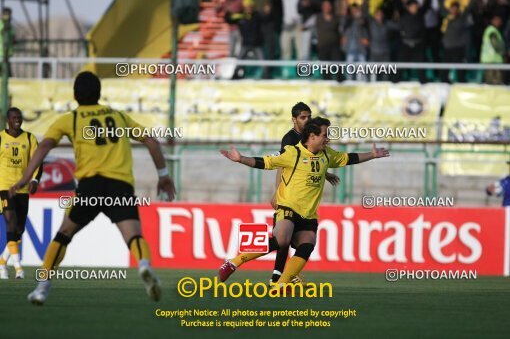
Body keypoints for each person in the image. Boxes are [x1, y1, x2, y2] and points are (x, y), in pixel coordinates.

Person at [9, 72, 176, 305]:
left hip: (90, 187)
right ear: (99, 93)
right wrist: (164, 176)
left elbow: (45, 144)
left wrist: (27, 176)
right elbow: (152, 141)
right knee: (134, 236)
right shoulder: (119, 116)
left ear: (75, 95)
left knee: (63, 235)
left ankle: (41, 288)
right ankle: (145, 266)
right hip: (120, 186)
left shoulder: (71, 119)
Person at [218, 117, 390, 286]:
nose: (328, 139)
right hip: (288, 207)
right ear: (312, 136)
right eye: (324, 135)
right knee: (282, 240)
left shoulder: (327, 154)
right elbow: (266, 162)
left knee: (308, 244)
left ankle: (281, 285)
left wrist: (372, 155)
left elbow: (349, 158)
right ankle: (234, 262)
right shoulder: (293, 152)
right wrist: (241, 159)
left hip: (309, 213)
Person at [269, 103, 340, 284]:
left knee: (290, 238)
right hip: (289, 195)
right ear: (294, 120)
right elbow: (283, 165)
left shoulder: (311, 137)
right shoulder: (290, 138)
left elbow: (309, 164)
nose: (307, 120)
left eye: (308, 116)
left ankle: (282, 275)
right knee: (284, 238)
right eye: (303, 117)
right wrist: (277, 192)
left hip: (301, 199)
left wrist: (325, 173)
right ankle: (277, 275)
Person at [0, 107, 42, 279]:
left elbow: (37, 161)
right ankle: (18, 268)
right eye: (14, 118)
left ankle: (2, 263)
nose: (17, 120)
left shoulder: (30, 138)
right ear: (7, 120)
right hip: (4, 187)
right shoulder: (1, 138)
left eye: (19, 117)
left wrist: (34, 180)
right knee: (10, 222)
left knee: (19, 229)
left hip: (22, 188)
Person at [480, 14, 506, 84]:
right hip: (492, 61)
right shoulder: (492, 31)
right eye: (498, 20)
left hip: (491, 60)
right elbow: (496, 44)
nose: (500, 22)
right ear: (493, 20)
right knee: (494, 82)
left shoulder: (493, 30)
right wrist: (504, 53)